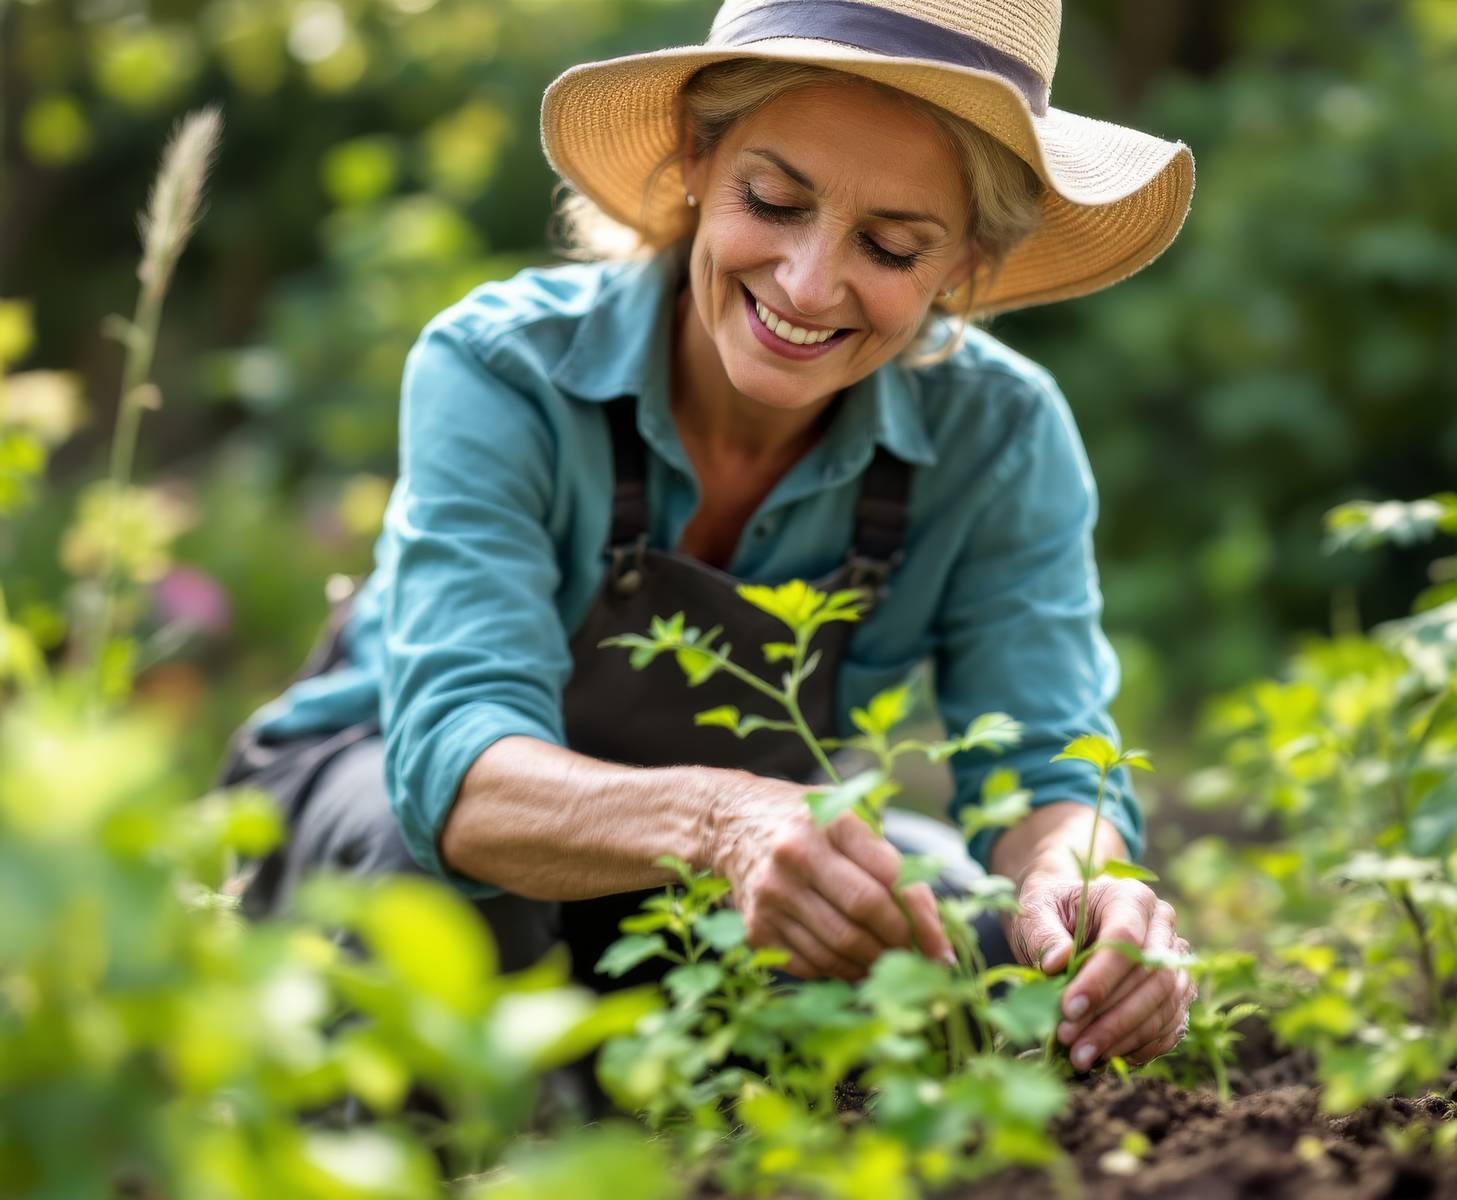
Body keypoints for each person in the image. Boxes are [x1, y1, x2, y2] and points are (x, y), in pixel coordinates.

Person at [219, 0, 1197, 1075]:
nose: (808, 282)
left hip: (706, 888)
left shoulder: (996, 434)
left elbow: (1041, 762)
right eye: (772, 201)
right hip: (388, 816)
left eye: (889, 244)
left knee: (977, 968)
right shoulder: (504, 370)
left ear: (965, 258)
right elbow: (457, 771)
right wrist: (720, 820)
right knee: (434, 895)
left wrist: (1079, 885)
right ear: (696, 155)